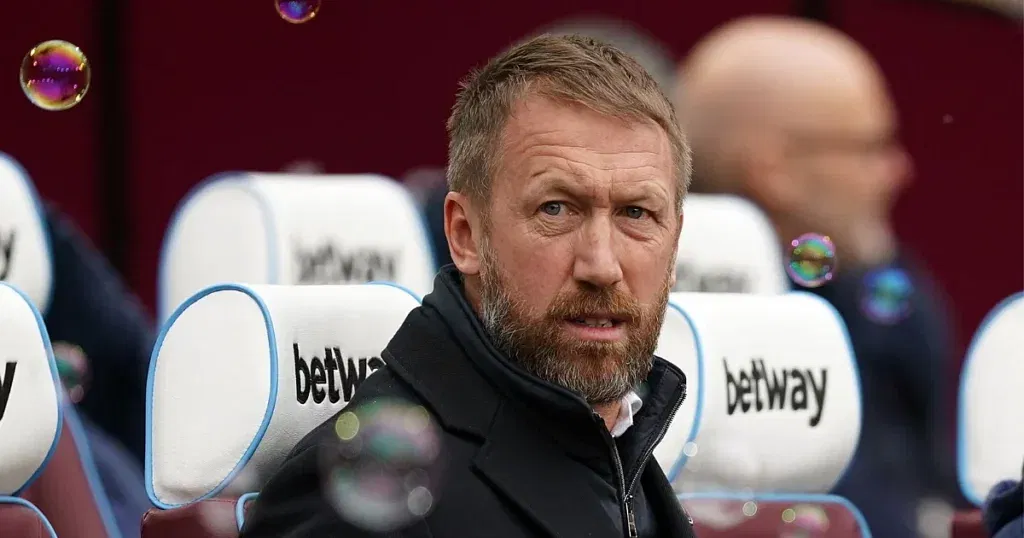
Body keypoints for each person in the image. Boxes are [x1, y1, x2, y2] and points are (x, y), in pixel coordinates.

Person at [242, 34, 696, 538]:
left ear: (674, 244)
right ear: (465, 235)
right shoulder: (351, 508)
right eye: (556, 208)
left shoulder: (621, 450)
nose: (601, 265)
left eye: (637, 213)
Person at [675, 16, 961, 536]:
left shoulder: (888, 296)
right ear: (774, 169)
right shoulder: (662, 334)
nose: (899, 168)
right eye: (872, 145)